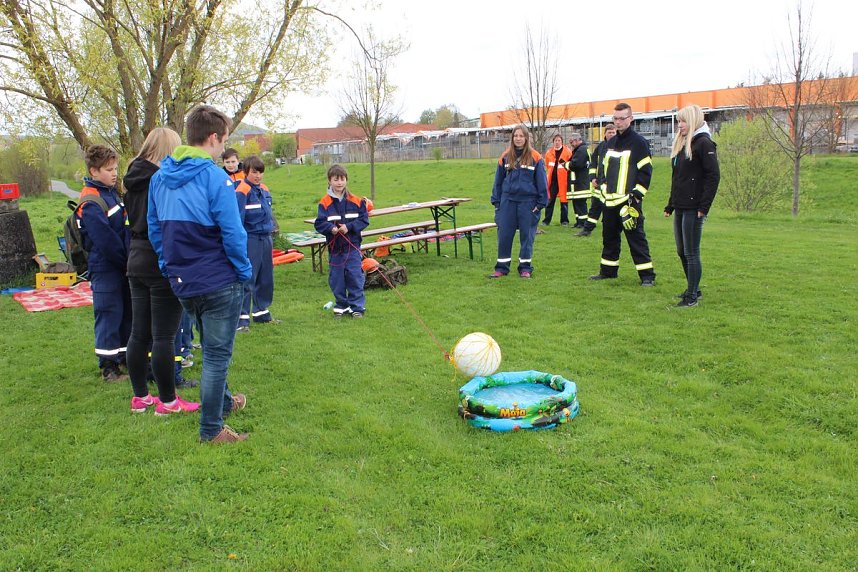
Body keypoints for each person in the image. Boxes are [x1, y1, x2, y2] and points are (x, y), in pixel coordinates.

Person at [148, 104, 253, 443]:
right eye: (223, 140)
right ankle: (211, 429)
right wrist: (244, 270)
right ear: (212, 138)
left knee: (210, 344)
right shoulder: (215, 178)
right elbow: (233, 233)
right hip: (218, 280)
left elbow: (155, 231)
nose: (224, 148)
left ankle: (224, 402)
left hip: (183, 281)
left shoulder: (158, 179)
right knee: (216, 356)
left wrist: (168, 265)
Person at [124, 127, 200, 415]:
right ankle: (168, 400)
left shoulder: (131, 178)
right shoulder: (162, 181)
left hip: (135, 258)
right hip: (157, 258)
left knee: (139, 333)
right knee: (164, 336)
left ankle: (140, 396)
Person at [76, 145, 132, 382]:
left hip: (119, 266)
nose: (114, 173)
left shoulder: (110, 192)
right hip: (106, 267)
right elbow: (106, 240)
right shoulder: (91, 200)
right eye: (109, 169)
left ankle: (123, 357)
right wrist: (126, 261)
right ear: (94, 171)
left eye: (115, 168)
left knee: (125, 313)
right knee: (109, 314)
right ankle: (108, 367)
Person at [590, 103, 656, 286]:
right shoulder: (610, 143)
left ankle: (647, 276)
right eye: (615, 119)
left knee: (636, 239)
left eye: (622, 118)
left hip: (628, 201)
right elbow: (604, 169)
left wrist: (636, 196)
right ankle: (608, 272)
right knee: (609, 238)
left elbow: (646, 172)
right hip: (609, 200)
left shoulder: (639, 143)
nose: (618, 122)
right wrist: (602, 186)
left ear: (631, 119)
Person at [664, 104, 720, 307]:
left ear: (694, 121)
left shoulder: (704, 143)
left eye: (683, 121)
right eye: (679, 121)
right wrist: (671, 204)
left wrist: (703, 207)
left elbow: (713, 176)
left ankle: (692, 296)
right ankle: (693, 287)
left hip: (694, 207)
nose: (680, 125)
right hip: (680, 206)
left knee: (691, 252)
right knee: (681, 250)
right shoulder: (682, 144)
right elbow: (678, 177)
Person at [489, 124, 548, 279]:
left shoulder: (536, 157)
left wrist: (541, 204)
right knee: (504, 236)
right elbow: (498, 182)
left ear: (526, 138)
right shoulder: (505, 156)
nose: (518, 138)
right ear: (512, 138)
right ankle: (501, 268)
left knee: (527, 237)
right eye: (516, 136)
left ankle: (525, 268)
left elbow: (542, 182)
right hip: (507, 201)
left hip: (528, 203)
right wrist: (497, 202)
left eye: (521, 136)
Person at [313, 164, 370, 317]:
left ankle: (357, 307)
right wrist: (330, 228)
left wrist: (349, 227)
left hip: (352, 248)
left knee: (355, 278)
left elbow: (364, 220)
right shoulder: (324, 203)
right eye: (336, 179)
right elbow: (319, 223)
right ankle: (341, 305)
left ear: (346, 180)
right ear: (329, 181)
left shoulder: (357, 201)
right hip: (335, 250)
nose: (339, 183)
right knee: (337, 280)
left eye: (342, 179)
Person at [235, 155, 278, 330]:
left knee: (265, 277)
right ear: (246, 172)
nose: (258, 176)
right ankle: (242, 319)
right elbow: (237, 219)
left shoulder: (264, 189)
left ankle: (262, 312)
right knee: (248, 278)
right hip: (250, 239)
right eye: (254, 172)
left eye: (260, 172)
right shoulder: (242, 191)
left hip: (266, 237)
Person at [578, 123, 617, 237]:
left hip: (612, 186)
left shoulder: (620, 146)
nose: (612, 134)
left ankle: (613, 230)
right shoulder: (600, 147)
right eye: (609, 132)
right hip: (599, 184)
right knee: (594, 208)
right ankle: (587, 230)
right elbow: (593, 163)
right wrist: (592, 178)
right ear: (605, 134)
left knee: (611, 209)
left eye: (613, 132)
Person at [541, 134, 572, 226]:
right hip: (553, 181)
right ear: (553, 142)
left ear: (562, 142)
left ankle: (564, 221)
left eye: (559, 140)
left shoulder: (568, 152)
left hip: (564, 181)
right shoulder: (549, 153)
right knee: (550, 201)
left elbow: (570, 165)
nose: (557, 142)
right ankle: (546, 220)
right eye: (556, 141)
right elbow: (547, 165)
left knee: (564, 201)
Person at [566, 132, 591, 228]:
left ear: (577, 140)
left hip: (580, 183)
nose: (571, 144)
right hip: (579, 183)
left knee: (580, 204)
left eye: (571, 141)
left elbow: (575, 164)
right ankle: (579, 221)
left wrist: (566, 165)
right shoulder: (581, 149)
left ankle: (583, 222)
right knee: (577, 203)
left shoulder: (581, 150)